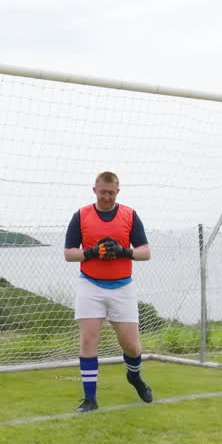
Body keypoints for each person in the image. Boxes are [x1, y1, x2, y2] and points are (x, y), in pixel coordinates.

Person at [64, 171, 153, 412]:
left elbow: (145, 251)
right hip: (90, 285)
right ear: (95, 190)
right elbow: (69, 253)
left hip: (123, 287)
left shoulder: (129, 215)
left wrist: (124, 252)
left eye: (111, 193)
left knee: (131, 345)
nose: (106, 197)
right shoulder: (81, 216)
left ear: (117, 192)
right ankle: (90, 399)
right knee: (88, 339)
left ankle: (134, 376)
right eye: (102, 192)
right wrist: (91, 252)